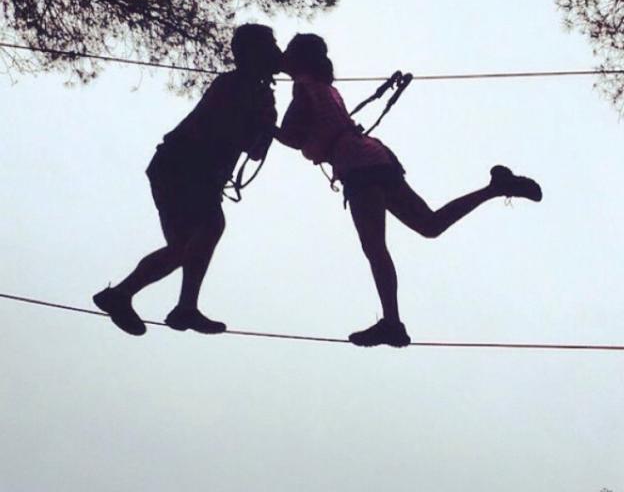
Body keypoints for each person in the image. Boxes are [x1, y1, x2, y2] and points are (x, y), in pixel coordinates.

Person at [275, 33, 542, 348]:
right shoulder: (325, 88)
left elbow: (292, 137)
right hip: (375, 156)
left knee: (375, 246)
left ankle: (391, 322)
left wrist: (263, 125)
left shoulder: (304, 87)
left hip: (357, 165)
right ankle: (496, 188)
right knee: (429, 225)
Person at [93, 24, 282, 336]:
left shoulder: (256, 92)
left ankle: (121, 294)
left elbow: (256, 150)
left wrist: (266, 121)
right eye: (271, 47)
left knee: (184, 248)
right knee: (210, 227)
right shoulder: (237, 85)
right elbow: (238, 136)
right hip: (186, 167)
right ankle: (185, 307)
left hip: (177, 168)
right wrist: (264, 120)